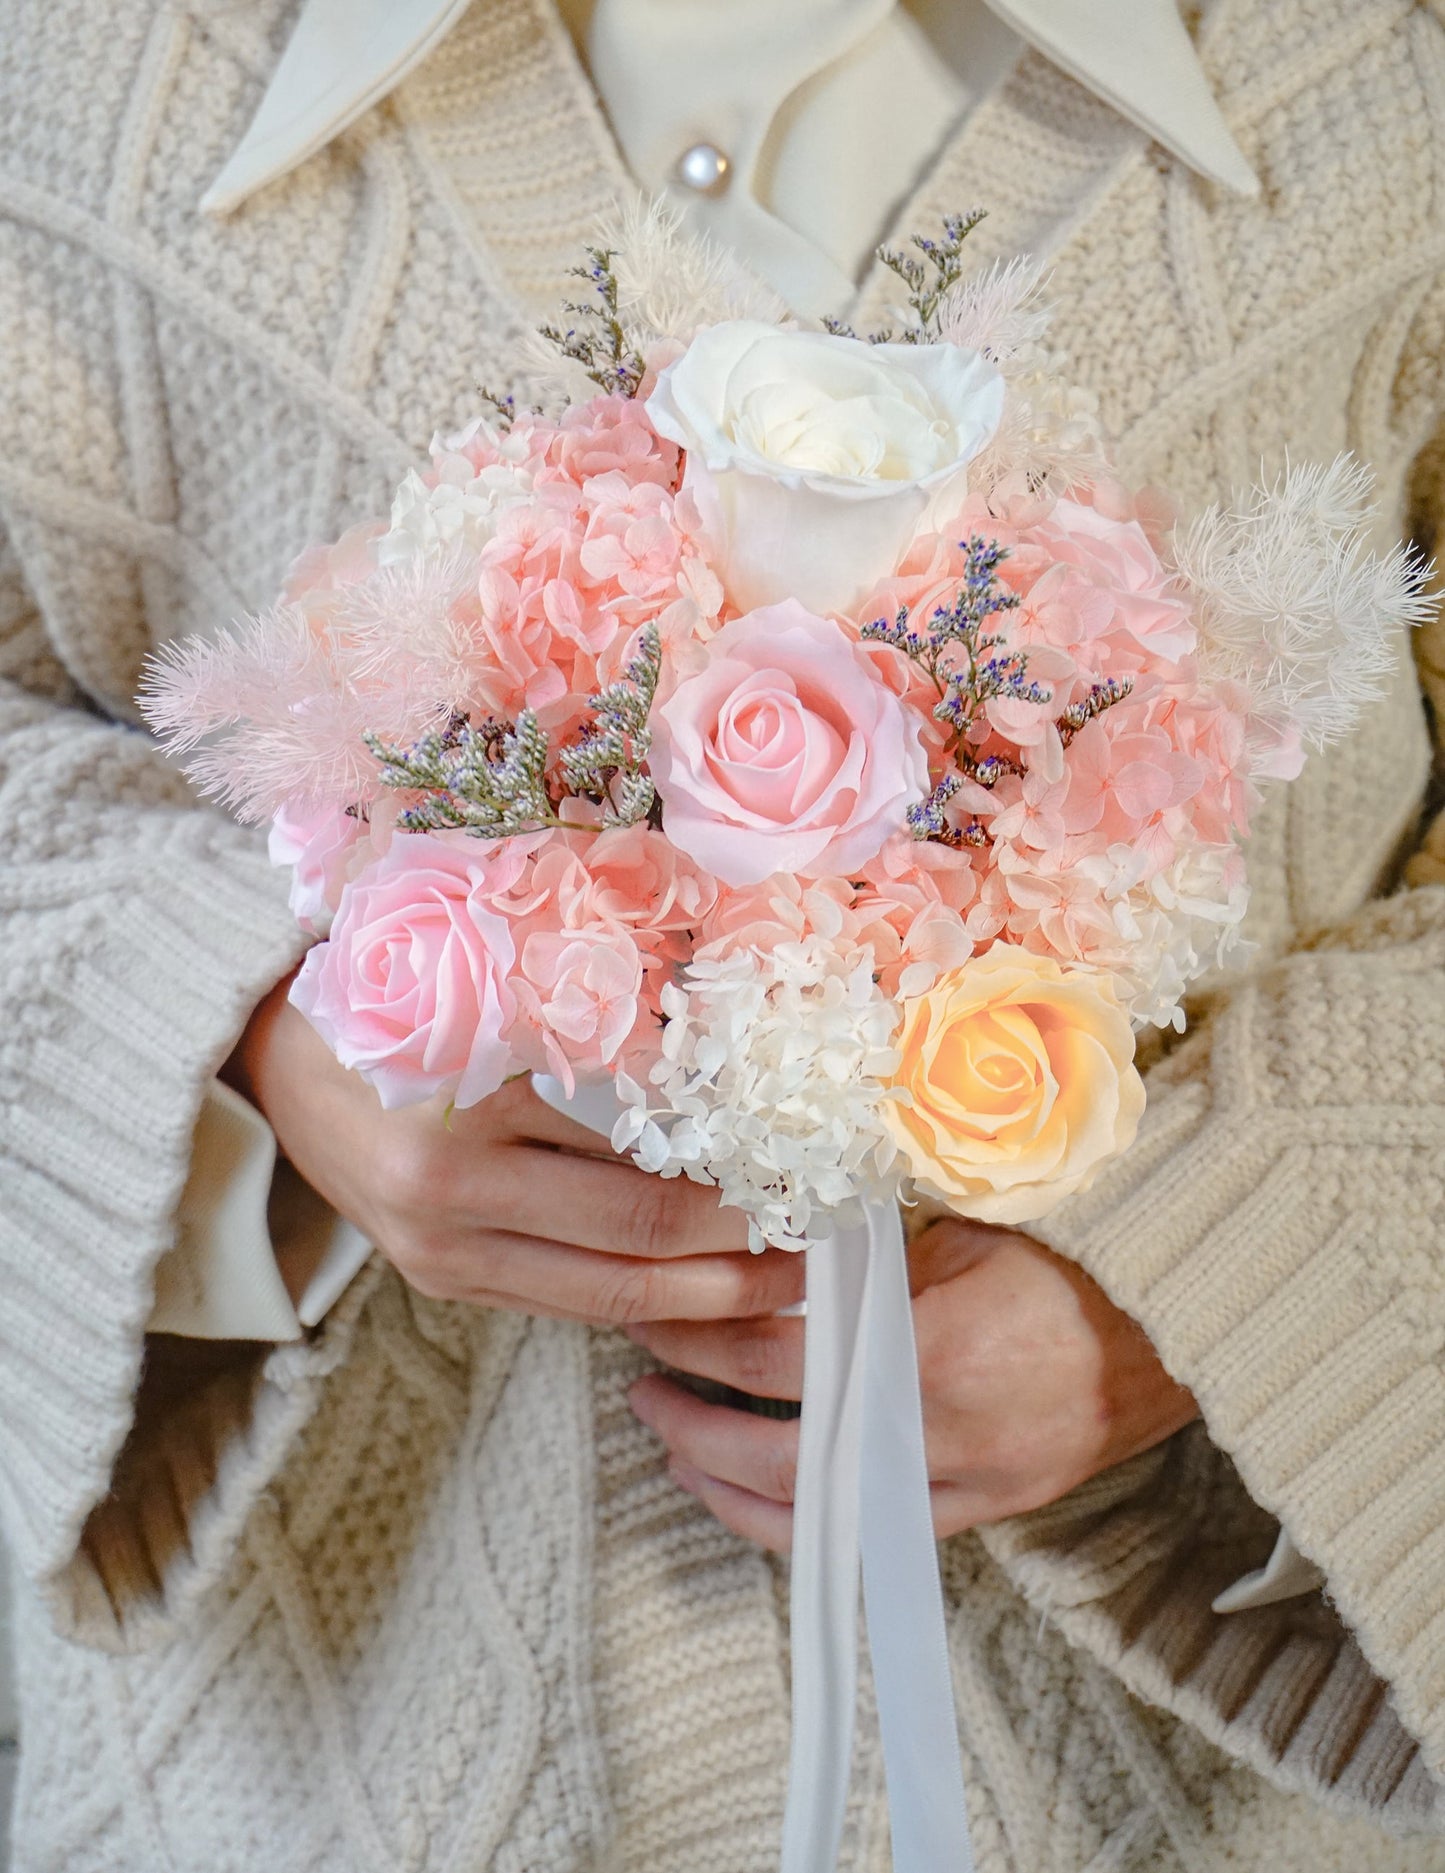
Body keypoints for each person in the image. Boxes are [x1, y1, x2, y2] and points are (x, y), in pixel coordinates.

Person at [1, 0, 1443, 1866]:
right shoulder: (85, 63)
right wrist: (269, 1049)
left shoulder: (1380, 65)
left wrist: (1233, 1279)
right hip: (314, 1765)